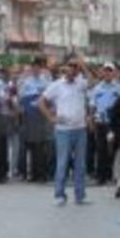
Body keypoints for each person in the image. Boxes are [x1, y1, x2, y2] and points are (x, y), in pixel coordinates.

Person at [39, 55, 91, 207]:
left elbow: (94, 82)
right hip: (63, 131)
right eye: (70, 66)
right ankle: (60, 195)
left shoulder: (81, 83)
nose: (73, 69)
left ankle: (80, 195)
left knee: (80, 165)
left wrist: (83, 65)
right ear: (65, 68)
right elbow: (41, 102)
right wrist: (51, 118)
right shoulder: (57, 85)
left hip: (80, 129)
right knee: (62, 163)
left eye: (75, 67)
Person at [89, 63, 120, 185]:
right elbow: (92, 106)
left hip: (114, 123)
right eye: (105, 71)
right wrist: (91, 120)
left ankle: (114, 175)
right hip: (100, 122)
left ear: (113, 73)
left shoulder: (119, 88)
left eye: (110, 71)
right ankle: (101, 176)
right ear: (102, 72)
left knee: (114, 149)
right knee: (101, 149)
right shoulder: (97, 88)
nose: (107, 73)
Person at [18, 60, 52, 182]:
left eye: (38, 67)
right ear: (31, 69)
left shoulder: (46, 81)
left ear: (41, 68)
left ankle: (43, 174)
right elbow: (21, 97)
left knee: (42, 145)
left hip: (42, 116)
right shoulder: (26, 82)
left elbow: (50, 98)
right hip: (30, 116)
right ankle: (34, 174)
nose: (36, 69)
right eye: (34, 67)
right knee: (32, 145)